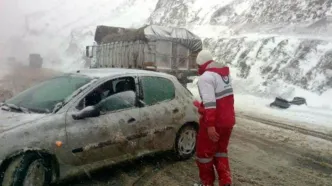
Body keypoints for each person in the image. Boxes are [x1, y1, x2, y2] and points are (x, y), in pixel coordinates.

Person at [194, 50, 236, 186]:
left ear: (200, 63)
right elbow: (222, 100)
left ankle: (206, 183)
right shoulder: (223, 75)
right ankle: (226, 181)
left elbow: (210, 104)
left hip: (215, 123)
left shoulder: (205, 77)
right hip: (227, 122)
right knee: (220, 152)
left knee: (204, 155)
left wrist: (210, 125)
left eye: (197, 65)